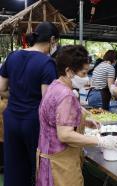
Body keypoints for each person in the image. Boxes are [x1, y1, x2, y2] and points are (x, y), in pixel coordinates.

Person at [36, 45, 117, 186]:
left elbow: (56, 118)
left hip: (49, 158)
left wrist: (84, 121)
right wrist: (100, 141)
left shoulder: (54, 85)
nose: (86, 79)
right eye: (83, 73)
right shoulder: (66, 95)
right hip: (61, 163)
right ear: (69, 71)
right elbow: (65, 135)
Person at [0, 22, 59, 186]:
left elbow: (1, 88)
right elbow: (47, 102)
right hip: (33, 122)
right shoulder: (47, 63)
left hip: (11, 119)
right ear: (52, 39)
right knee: (39, 167)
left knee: (14, 166)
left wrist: (18, 96)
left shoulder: (12, 56)